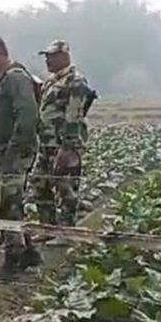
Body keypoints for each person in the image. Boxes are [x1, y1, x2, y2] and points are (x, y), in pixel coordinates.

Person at [0, 35, 42, 278]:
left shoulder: (15, 78)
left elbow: (27, 116)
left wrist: (13, 151)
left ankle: (14, 259)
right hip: (2, 150)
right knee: (8, 201)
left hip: (13, 153)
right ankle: (29, 251)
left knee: (8, 203)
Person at [33, 40, 95, 230]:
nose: (48, 61)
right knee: (39, 182)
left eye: (51, 57)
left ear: (64, 56)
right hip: (46, 143)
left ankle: (66, 231)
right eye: (46, 57)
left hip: (63, 145)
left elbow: (74, 115)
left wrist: (68, 147)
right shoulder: (52, 81)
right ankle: (48, 227)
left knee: (65, 187)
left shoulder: (75, 81)